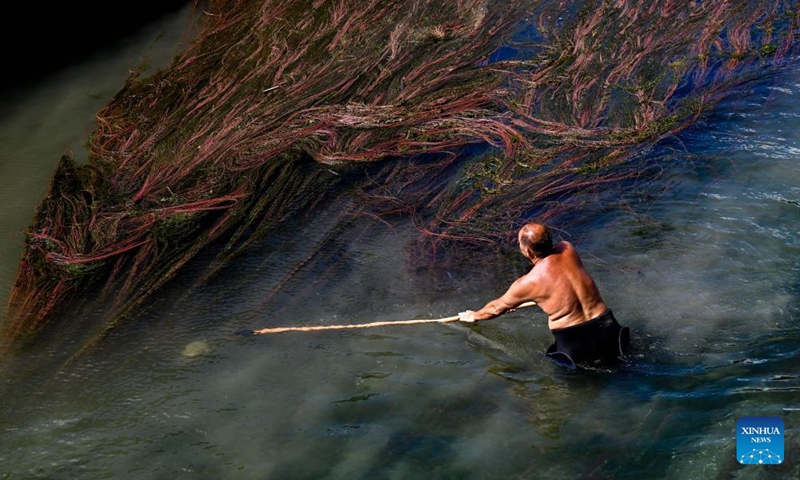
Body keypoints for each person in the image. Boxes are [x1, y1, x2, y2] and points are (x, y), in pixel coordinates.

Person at [458, 222, 629, 369]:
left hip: (573, 342)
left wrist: (474, 315)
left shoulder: (527, 283)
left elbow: (496, 308)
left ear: (528, 252)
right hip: (608, 328)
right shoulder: (568, 249)